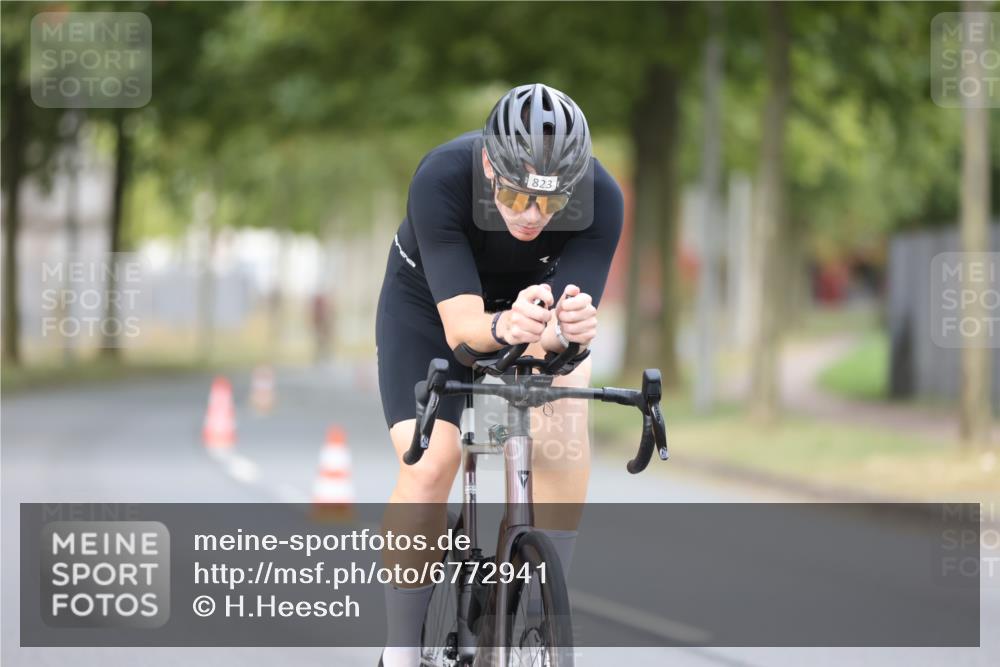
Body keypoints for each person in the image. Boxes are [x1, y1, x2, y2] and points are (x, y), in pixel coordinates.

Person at [374, 83, 623, 667]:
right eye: (514, 194)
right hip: (431, 307)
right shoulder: (442, 177)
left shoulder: (602, 197)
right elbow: (463, 332)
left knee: (561, 439)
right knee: (433, 462)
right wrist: (505, 325)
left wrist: (567, 330)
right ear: (490, 165)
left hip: (529, 311)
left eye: (551, 202)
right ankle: (402, 651)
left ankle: (541, 620)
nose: (531, 216)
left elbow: (559, 333)